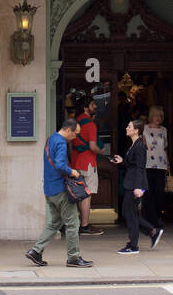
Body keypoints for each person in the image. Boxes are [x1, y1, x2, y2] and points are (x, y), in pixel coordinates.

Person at [25, 119, 93, 268]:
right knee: (73, 223)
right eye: (75, 134)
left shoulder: (51, 139)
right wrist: (73, 172)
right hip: (61, 190)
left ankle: (35, 251)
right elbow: (61, 165)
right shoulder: (61, 142)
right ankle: (73, 258)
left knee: (54, 222)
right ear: (68, 130)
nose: (75, 138)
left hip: (49, 189)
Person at [113, 118, 163, 255]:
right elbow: (133, 165)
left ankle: (133, 245)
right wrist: (122, 161)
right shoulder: (134, 145)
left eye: (129, 127)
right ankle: (152, 232)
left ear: (136, 130)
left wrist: (138, 187)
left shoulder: (139, 146)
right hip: (131, 182)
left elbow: (141, 168)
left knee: (130, 214)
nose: (126, 128)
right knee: (129, 213)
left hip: (134, 184)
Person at [69, 95, 110, 237]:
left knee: (79, 193)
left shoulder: (75, 122)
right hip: (88, 162)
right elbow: (93, 147)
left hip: (75, 162)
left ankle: (79, 223)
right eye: (93, 105)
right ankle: (84, 225)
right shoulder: (90, 125)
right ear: (86, 108)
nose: (96, 107)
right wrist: (102, 151)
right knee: (87, 194)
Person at [142, 104, 169, 231]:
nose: (158, 118)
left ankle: (157, 217)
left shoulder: (164, 130)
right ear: (151, 116)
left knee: (159, 191)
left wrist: (168, 164)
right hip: (147, 164)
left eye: (160, 116)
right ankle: (150, 218)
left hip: (161, 164)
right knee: (148, 192)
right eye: (156, 115)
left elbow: (165, 148)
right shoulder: (144, 129)